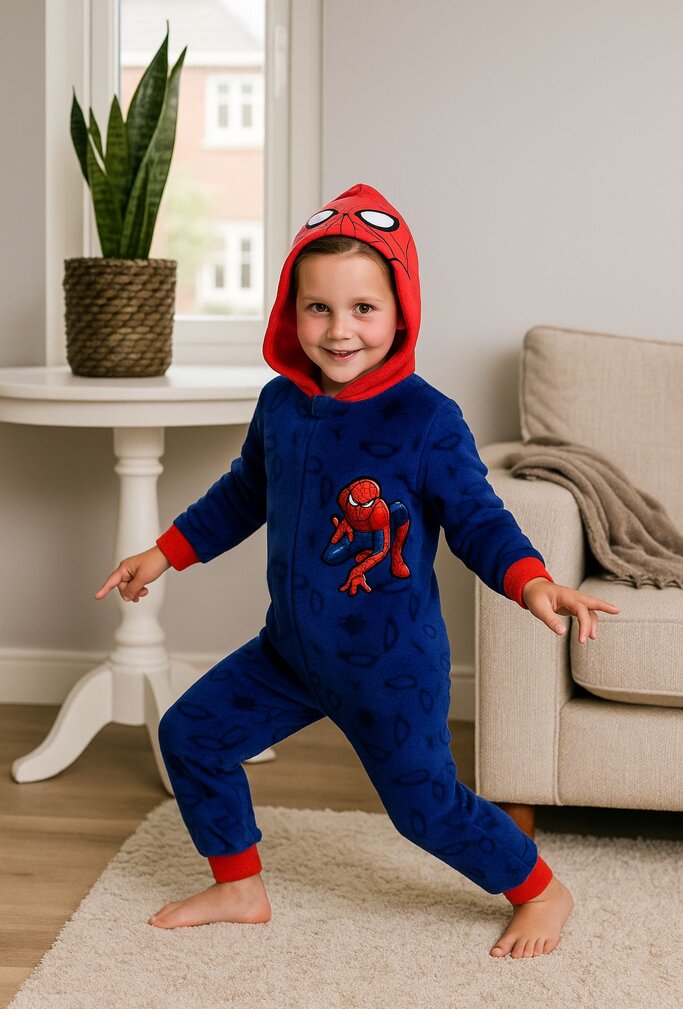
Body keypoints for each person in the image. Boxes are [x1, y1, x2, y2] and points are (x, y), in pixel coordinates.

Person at [95, 183, 620, 958]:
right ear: (291, 311)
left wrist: (530, 579)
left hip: (389, 666)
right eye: (318, 308)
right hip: (289, 651)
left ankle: (540, 890)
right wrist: (165, 551)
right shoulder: (280, 405)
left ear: (400, 311)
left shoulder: (427, 420)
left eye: (363, 309)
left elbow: (478, 519)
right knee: (192, 735)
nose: (339, 330)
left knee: (423, 809)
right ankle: (238, 887)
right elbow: (242, 494)